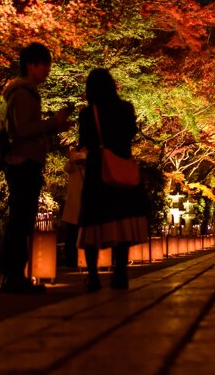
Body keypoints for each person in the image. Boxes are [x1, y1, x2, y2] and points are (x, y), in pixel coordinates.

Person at [1, 42, 73, 294]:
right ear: (31, 64)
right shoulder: (22, 93)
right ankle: (13, 276)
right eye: (45, 65)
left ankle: (14, 275)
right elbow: (22, 130)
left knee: (22, 218)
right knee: (20, 219)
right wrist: (52, 122)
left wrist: (54, 126)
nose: (48, 70)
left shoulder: (25, 91)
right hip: (23, 162)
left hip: (25, 161)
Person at [78, 68, 149, 291]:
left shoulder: (88, 113)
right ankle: (120, 273)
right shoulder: (126, 109)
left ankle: (93, 276)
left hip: (98, 172)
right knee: (122, 223)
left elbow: (85, 141)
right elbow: (130, 135)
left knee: (93, 223)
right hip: (122, 168)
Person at [60, 145, 87, 268]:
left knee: (85, 233)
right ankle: (71, 260)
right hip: (74, 204)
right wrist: (72, 159)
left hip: (86, 204)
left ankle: (84, 259)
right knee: (72, 234)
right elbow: (67, 168)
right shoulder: (73, 166)